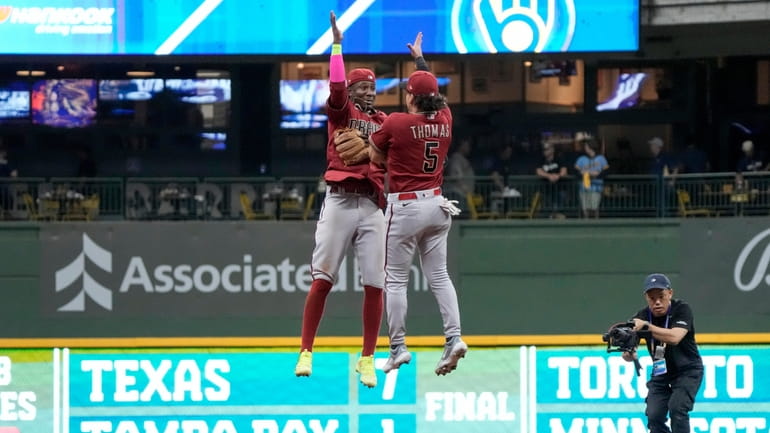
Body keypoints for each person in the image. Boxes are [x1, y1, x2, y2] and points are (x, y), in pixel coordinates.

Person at [294, 12, 429, 388]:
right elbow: (336, 85)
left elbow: (424, 108)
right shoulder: (342, 113)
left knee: (376, 284)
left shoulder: (386, 121)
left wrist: (421, 64)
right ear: (352, 93)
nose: (369, 91)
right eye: (362, 87)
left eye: (372, 86)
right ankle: (306, 349)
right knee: (323, 279)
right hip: (339, 200)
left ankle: (367, 358)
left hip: (371, 205)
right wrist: (337, 45)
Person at [370, 64, 467, 376]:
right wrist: (422, 63)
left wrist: (395, 157)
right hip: (438, 205)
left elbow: (373, 156)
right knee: (439, 277)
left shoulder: (397, 122)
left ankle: (397, 347)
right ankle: (454, 338)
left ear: (410, 96)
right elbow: (433, 97)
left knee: (396, 280)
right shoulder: (446, 118)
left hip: (406, 207)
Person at [623, 273, 703, 433]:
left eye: (661, 296)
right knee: (654, 415)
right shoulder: (642, 317)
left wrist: (647, 327)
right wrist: (629, 353)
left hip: (687, 370)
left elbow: (675, 337)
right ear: (646, 297)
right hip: (661, 372)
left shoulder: (681, 309)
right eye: (652, 298)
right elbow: (628, 352)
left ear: (670, 293)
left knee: (677, 409)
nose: (657, 302)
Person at [574, 137, 608, 218]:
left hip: (596, 187)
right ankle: (586, 225)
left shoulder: (601, 158)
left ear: (591, 147)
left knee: (594, 207)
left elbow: (606, 171)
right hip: (584, 186)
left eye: (586, 146)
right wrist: (582, 173)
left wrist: (596, 174)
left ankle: (596, 225)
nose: (585, 148)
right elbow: (575, 171)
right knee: (585, 208)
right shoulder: (581, 159)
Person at [535, 141, 568, 218]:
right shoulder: (541, 160)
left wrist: (558, 176)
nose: (545, 151)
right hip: (546, 190)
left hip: (560, 188)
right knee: (548, 210)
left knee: (559, 208)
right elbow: (538, 171)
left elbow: (564, 171)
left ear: (552, 150)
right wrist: (549, 176)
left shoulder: (559, 159)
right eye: (544, 149)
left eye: (547, 149)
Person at [444, 137, 475, 214]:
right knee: (461, 214)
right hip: (458, 193)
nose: (468, 148)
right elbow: (455, 175)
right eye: (466, 146)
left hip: (463, 194)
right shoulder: (456, 158)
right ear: (461, 146)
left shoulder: (461, 158)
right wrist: (463, 186)